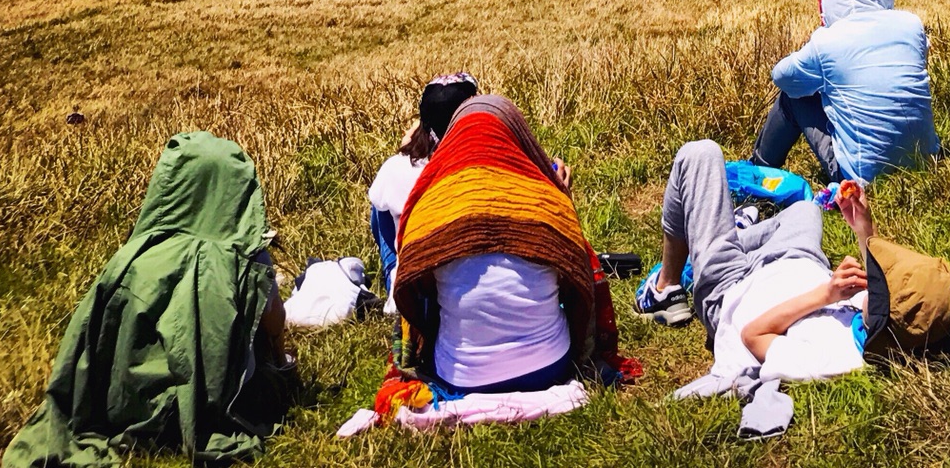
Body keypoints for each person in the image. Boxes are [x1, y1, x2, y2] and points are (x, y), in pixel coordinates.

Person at [4, 132, 295, 468]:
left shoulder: (131, 257)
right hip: (213, 405)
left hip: (124, 405)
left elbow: (87, 340)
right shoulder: (246, 259)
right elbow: (275, 321)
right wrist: (282, 366)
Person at [392, 94, 626, 392]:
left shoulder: (431, 207)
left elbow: (414, 288)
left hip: (461, 377)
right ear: (517, 136)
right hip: (548, 368)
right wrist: (563, 200)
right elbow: (576, 277)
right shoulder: (545, 200)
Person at [639, 140, 867, 386]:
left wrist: (826, 295)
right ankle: (729, 234)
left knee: (700, 154)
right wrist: (864, 225)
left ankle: (665, 289)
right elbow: (885, 283)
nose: (880, 289)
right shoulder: (876, 310)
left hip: (733, 287)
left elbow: (753, 334)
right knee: (804, 209)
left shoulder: (837, 358)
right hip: (799, 258)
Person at [753, 0, 940, 183]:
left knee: (794, 97)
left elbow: (781, 76)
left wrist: (821, 50)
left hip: (861, 177)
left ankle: (759, 168)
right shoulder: (912, 24)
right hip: (926, 161)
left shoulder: (828, 41)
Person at [367, 72, 478, 294]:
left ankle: (393, 278)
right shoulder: (482, 165)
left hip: (415, 288)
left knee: (380, 209)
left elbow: (381, 219)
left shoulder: (395, 167)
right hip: (469, 286)